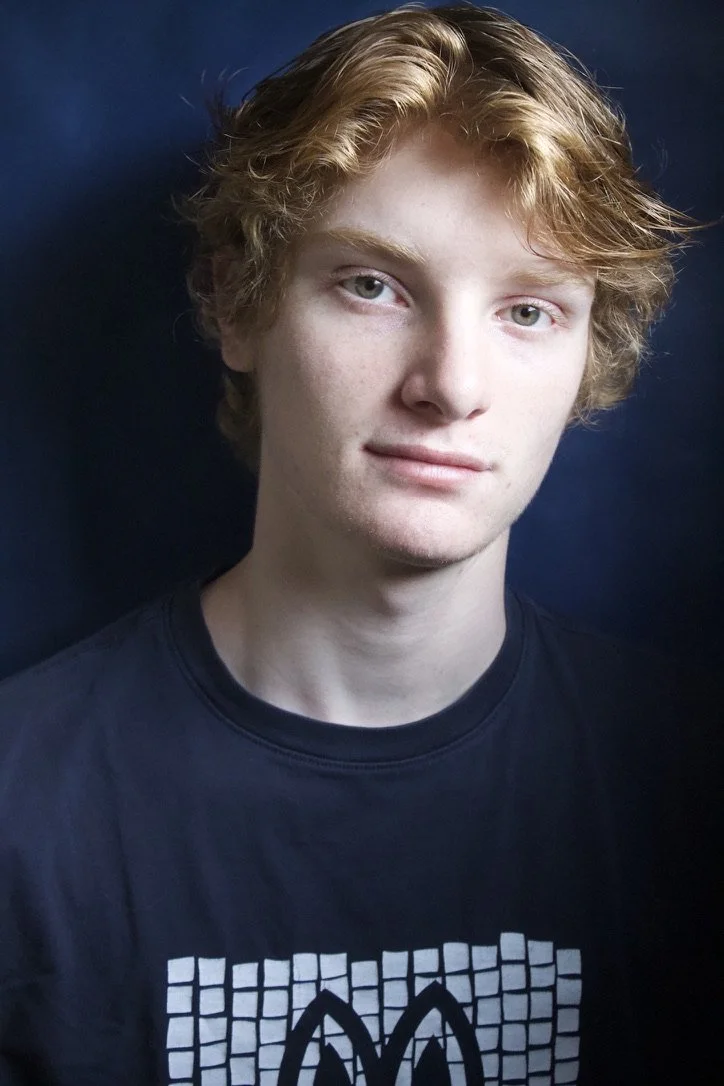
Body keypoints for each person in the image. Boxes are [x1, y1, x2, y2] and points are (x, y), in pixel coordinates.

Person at [0, 3, 721, 1084]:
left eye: (527, 311)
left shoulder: (693, 787)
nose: (451, 386)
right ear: (239, 306)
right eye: (372, 285)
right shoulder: (19, 810)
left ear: (588, 355)